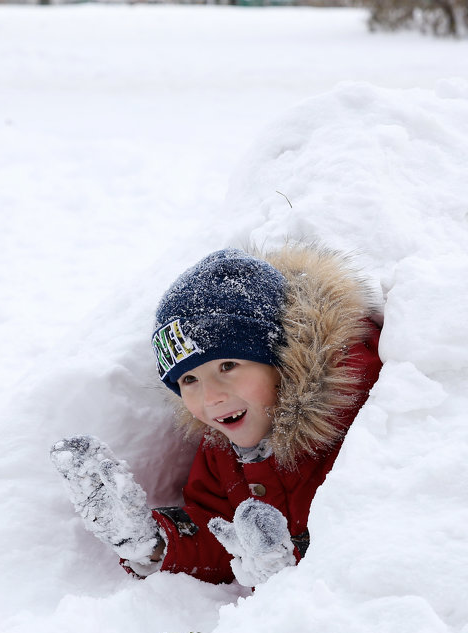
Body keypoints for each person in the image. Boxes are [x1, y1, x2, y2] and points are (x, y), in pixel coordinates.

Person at [50, 243, 382, 586]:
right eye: (189, 380)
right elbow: (219, 530)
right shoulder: (224, 450)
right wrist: (154, 541)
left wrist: (297, 568)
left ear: (282, 358)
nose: (211, 397)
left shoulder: (365, 416)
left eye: (228, 365)